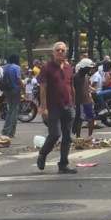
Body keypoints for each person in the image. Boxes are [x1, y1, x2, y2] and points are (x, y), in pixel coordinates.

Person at [37, 42, 77, 174]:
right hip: (53, 107)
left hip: (68, 106)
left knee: (67, 137)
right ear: (53, 53)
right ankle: (43, 154)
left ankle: (63, 164)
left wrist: (74, 104)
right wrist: (44, 108)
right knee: (55, 134)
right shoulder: (47, 68)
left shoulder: (68, 67)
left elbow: (71, 87)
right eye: (58, 50)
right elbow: (43, 88)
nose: (60, 52)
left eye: (63, 50)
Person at [0, 54, 22, 138]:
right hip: (15, 90)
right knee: (14, 111)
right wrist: (23, 87)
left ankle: (5, 130)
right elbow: (18, 79)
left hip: (6, 90)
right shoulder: (17, 67)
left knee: (10, 110)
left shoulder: (5, 67)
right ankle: (10, 132)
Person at [73, 58, 96, 138]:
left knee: (91, 118)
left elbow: (86, 88)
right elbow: (73, 90)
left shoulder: (86, 76)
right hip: (80, 101)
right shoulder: (76, 77)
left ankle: (90, 136)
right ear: (83, 68)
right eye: (88, 68)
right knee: (80, 119)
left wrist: (90, 97)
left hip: (88, 100)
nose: (89, 70)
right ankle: (78, 137)